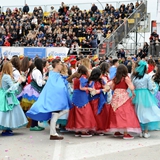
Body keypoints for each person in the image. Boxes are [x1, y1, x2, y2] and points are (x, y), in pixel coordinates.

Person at [26, 59, 71, 140]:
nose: (61, 66)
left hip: (55, 98)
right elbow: (56, 87)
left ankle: (53, 132)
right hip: (55, 99)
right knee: (58, 113)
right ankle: (53, 133)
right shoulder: (53, 75)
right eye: (60, 64)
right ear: (56, 65)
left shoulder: (55, 74)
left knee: (59, 113)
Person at [107, 64, 141, 139]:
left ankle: (117, 131)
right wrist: (133, 93)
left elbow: (112, 88)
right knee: (125, 114)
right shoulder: (126, 78)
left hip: (115, 96)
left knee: (116, 113)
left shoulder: (115, 78)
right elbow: (131, 87)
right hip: (124, 97)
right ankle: (125, 133)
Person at [66, 65, 97, 137]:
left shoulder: (76, 78)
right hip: (82, 97)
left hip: (75, 96)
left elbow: (74, 86)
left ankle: (77, 130)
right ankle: (83, 131)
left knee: (76, 113)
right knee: (84, 113)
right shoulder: (83, 78)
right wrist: (88, 89)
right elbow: (81, 87)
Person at [132, 60, 160, 138]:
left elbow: (133, 88)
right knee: (147, 112)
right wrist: (153, 91)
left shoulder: (134, 78)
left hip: (137, 96)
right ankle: (146, 131)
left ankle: (140, 131)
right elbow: (150, 87)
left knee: (138, 112)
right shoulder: (147, 77)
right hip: (146, 95)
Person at [0, 62, 28, 136]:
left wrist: (17, 81)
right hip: (7, 96)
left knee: (8, 113)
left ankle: (7, 129)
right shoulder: (7, 76)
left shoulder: (4, 75)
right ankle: (6, 129)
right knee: (8, 113)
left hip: (6, 95)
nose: (12, 68)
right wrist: (19, 82)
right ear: (8, 68)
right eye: (11, 67)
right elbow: (12, 87)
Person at [21, 58, 45, 131]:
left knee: (34, 107)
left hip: (33, 90)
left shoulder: (34, 70)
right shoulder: (37, 71)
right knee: (35, 108)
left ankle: (35, 124)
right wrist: (45, 81)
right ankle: (33, 125)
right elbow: (39, 83)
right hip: (35, 91)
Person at [88, 68, 110, 135]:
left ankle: (101, 128)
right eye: (100, 73)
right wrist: (102, 90)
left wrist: (106, 88)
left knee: (102, 115)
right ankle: (95, 128)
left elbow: (107, 87)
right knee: (96, 114)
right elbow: (93, 92)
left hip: (101, 99)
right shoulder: (91, 82)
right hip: (94, 100)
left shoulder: (101, 80)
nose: (101, 75)